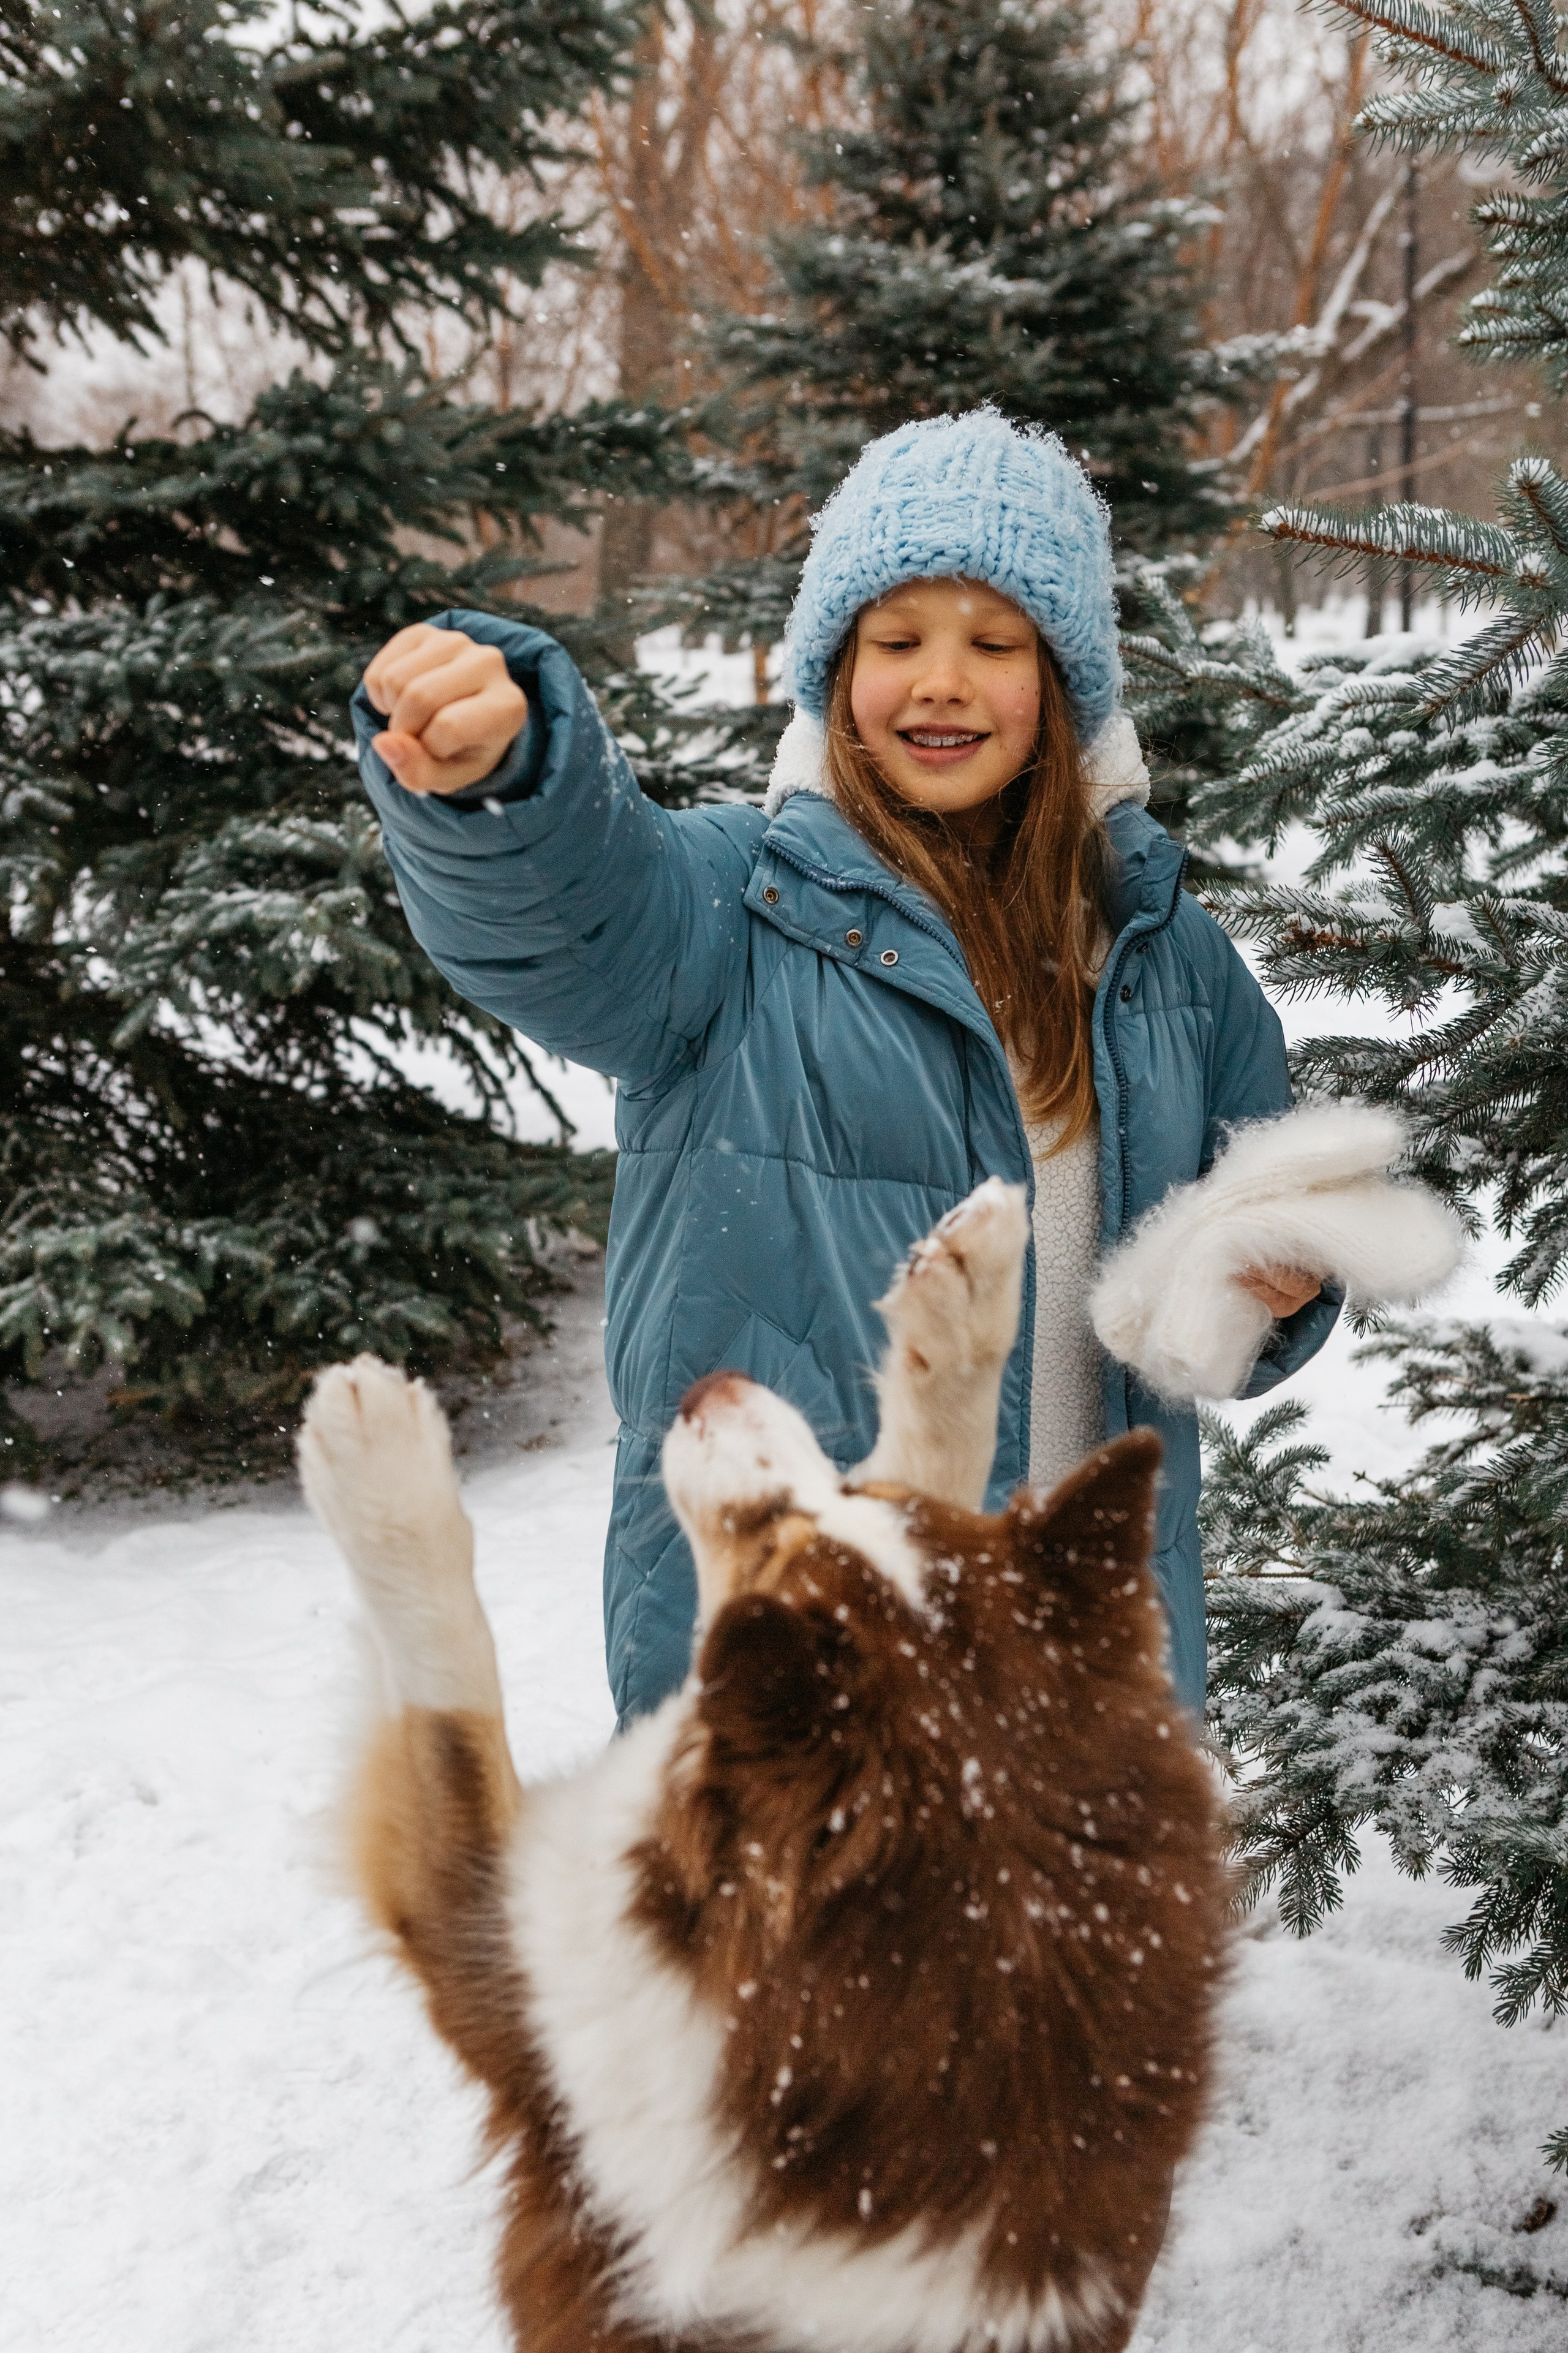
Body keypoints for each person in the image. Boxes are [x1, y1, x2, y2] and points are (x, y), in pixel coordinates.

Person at [352, 410, 1337, 1729]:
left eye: (992, 644)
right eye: (895, 641)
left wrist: (1275, 1289)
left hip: (1080, 1651)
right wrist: (503, 783)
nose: (939, 681)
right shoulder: (730, 908)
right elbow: (573, 912)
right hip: (800, 1656)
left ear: (1059, 684)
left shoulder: (1163, 953)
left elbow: (1255, 1218)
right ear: (834, 669)